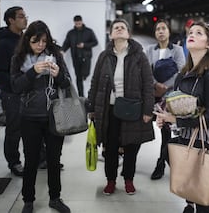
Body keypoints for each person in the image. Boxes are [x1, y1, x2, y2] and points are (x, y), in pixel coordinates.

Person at [154, 21, 209, 213]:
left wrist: (176, 121)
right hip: (186, 140)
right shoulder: (184, 73)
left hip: (205, 142)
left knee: (203, 199)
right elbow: (179, 106)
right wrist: (167, 117)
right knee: (190, 193)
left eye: (199, 33)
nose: (192, 34)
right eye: (191, 32)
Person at [87, 18, 154, 195]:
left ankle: (129, 180)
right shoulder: (104, 56)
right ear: (110, 34)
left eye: (122, 27)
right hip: (109, 110)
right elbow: (95, 82)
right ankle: (110, 181)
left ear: (128, 34)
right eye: (115, 28)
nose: (118, 29)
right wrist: (91, 107)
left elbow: (148, 83)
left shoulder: (139, 56)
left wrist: (148, 110)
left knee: (131, 147)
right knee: (110, 147)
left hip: (133, 108)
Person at [11, 20, 71, 213]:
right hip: (30, 117)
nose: (41, 45)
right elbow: (16, 86)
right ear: (28, 40)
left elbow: (66, 83)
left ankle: (55, 198)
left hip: (54, 116)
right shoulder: (19, 59)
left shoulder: (56, 57)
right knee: (31, 160)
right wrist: (32, 72)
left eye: (44, 41)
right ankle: (28, 200)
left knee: (54, 160)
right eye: (36, 41)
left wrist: (58, 74)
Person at [146, 19, 185, 180]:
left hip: (170, 97)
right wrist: (156, 85)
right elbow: (146, 70)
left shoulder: (177, 50)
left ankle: (161, 164)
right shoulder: (149, 50)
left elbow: (181, 71)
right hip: (154, 95)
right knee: (157, 130)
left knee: (166, 132)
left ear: (169, 32)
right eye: (158, 29)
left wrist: (165, 86)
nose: (161, 31)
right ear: (155, 33)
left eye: (163, 28)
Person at [0, 6, 28, 176]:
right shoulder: (3, 43)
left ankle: (40, 157)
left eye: (25, 16)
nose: (25, 19)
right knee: (14, 129)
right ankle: (14, 162)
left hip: (27, 92)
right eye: (21, 16)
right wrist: (16, 85)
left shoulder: (25, 39)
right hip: (11, 93)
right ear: (11, 20)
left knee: (33, 126)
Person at [62, 15, 98, 97]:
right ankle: (81, 95)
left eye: (79, 23)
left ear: (82, 21)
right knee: (78, 77)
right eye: (76, 23)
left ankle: (85, 76)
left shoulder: (89, 31)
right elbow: (66, 43)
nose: (78, 25)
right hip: (75, 57)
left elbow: (95, 42)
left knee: (86, 73)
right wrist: (62, 50)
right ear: (74, 23)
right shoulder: (71, 33)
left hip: (86, 57)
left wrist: (84, 45)